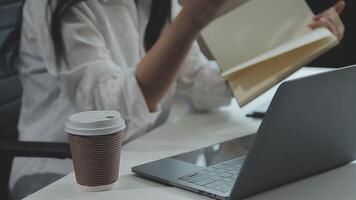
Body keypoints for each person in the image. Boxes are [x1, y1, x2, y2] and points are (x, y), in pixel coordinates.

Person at [0, 0, 345, 199]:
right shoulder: (58, 6)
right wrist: (189, 21)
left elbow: (200, 86)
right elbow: (106, 116)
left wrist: (300, 45)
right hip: (66, 172)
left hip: (144, 155)